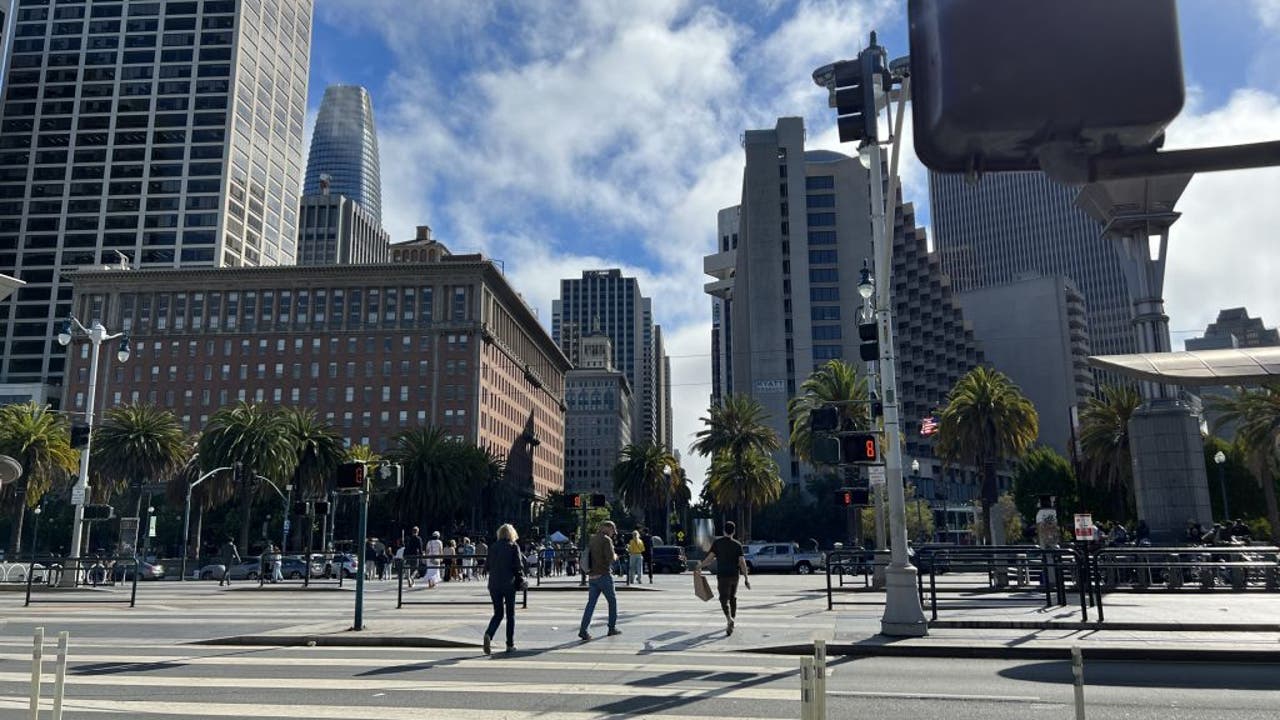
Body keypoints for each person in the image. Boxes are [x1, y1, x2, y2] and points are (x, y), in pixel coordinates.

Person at [696, 520, 751, 635]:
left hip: (723, 576)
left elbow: (710, 558)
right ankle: (733, 620)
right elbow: (742, 563)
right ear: (734, 531)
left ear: (723, 530)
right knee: (732, 597)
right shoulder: (737, 545)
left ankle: (729, 619)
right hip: (734, 576)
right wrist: (746, 578)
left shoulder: (718, 543)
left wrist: (700, 566)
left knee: (723, 599)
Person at [483, 524, 525, 655]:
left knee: (498, 613)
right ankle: (509, 644)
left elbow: (487, 566)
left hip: (494, 585)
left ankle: (489, 634)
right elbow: (518, 566)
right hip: (509, 584)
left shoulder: (493, 547)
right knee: (510, 615)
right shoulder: (513, 547)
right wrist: (521, 579)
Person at [577, 521, 621, 641]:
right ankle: (611, 627)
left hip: (592, 576)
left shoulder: (592, 539)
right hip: (604, 575)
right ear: (607, 529)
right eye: (612, 531)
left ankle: (583, 630)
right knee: (612, 602)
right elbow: (611, 558)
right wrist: (616, 556)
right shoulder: (606, 540)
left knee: (590, 604)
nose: (613, 533)